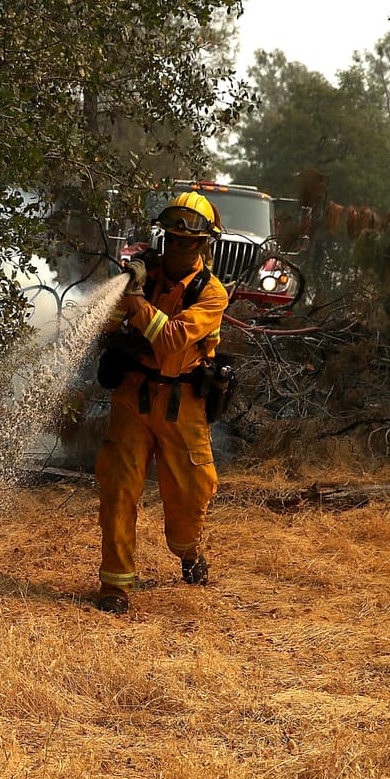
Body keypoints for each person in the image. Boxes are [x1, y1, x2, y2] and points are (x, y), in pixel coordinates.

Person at [94, 191, 230, 614]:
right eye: (172, 240)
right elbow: (106, 324)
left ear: (204, 245)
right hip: (134, 396)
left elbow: (171, 341)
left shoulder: (212, 294)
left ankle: (188, 553)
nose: (178, 249)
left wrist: (137, 301)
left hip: (182, 404)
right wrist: (128, 287)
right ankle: (115, 586)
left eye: (188, 242)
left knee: (190, 496)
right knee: (118, 490)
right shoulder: (143, 279)